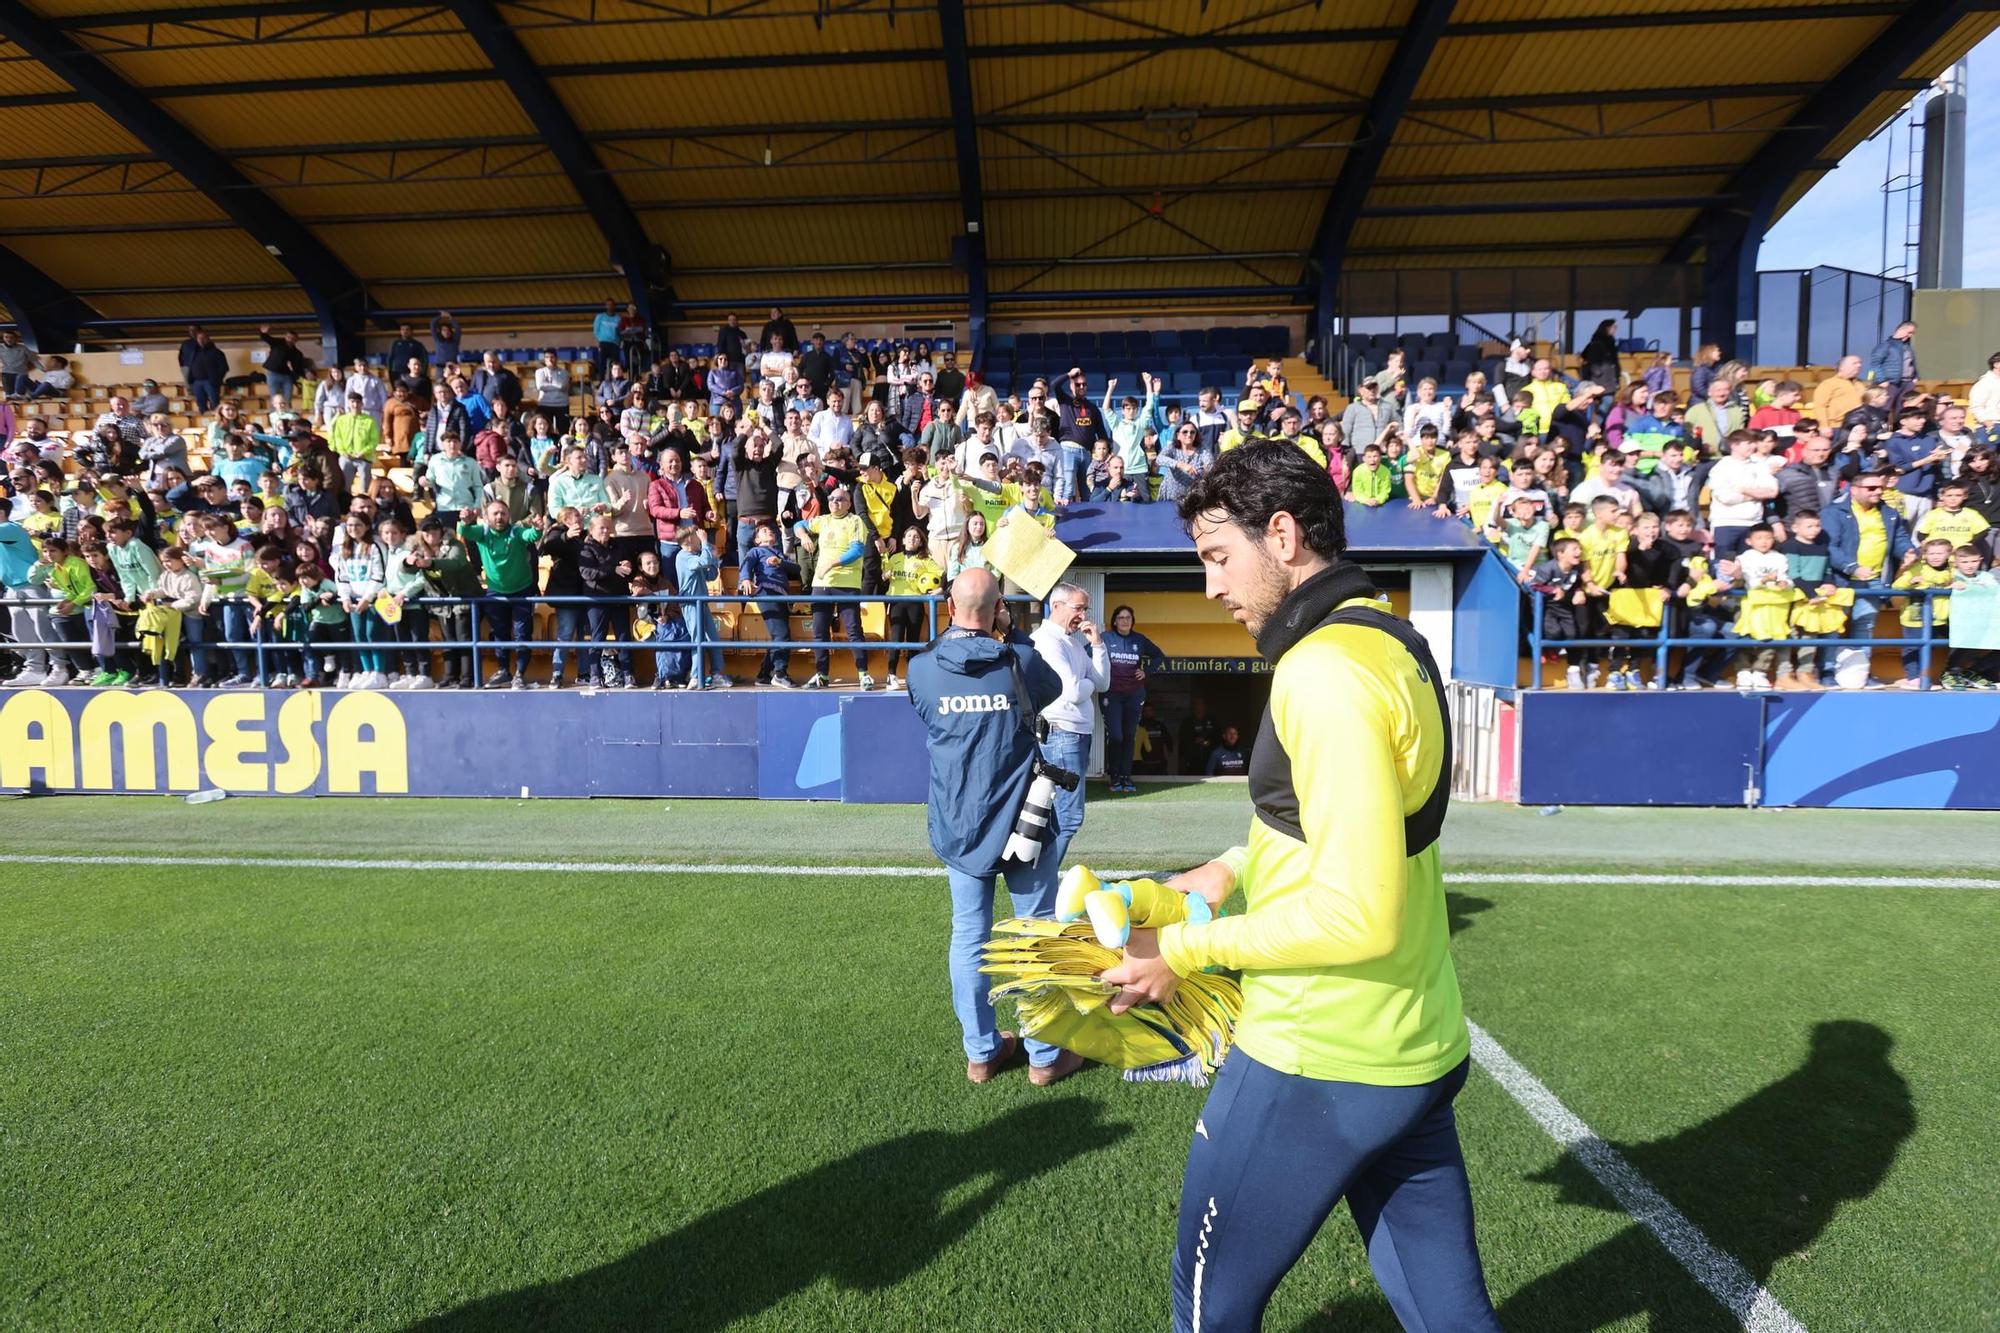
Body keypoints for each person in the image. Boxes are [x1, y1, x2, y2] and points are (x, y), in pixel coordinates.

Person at [1098, 441, 1498, 1333]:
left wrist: (1184, 949)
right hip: (1413, 1043)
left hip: (1316, 1052)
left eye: (1216, 555)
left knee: (1206, 1303)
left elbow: (1354, 910)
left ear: (1280, 535)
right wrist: (1228, 870)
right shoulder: (1387, 639)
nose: (1209, 587)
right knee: (1450, 1317)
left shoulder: (1322, 672)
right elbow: (1343, 827)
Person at [905, 567, 1078, 1086]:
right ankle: (1045, 1059)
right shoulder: (1020, 661)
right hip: (1025, 823)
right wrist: (1013, 632)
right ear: (999, 608)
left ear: (951, 606)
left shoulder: (921, 669)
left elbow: (930, 708)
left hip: (960, 826)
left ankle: (981, 1053)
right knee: (1034, 933)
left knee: (970, 940)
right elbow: (1052, 684)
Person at [1028, 583, 1107, 890]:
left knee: (1061, 816)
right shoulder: (1048, 640)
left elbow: (1101, 682)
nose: (1083, 615)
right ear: (1056, 606)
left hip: (1074, 734)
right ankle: (1042, 882)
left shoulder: (1072, 642)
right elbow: (1073, 691)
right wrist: (1084, 682)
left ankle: (1040, 878)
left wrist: (1097, 645)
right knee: (1068, 817)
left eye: (1085, 609)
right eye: (1079, 608)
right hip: (1062, 734)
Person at [1098, 605, 1165, 795]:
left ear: (1132, 621)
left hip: (1134, 695)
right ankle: (1115, 776)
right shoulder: (1106, 638)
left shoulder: (1139, 640)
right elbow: (1089, 654)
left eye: (1128, 617)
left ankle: (1126, 777)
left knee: (1129, 736)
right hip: (1111, 695)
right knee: (1117, 736)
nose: (1125, 621)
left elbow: (1159, 656)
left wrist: (1146, 671)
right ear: (1114, 621)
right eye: (1121, 618)